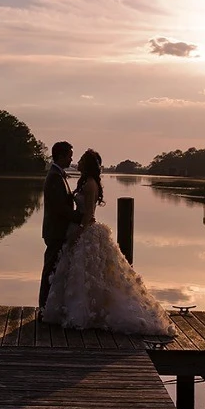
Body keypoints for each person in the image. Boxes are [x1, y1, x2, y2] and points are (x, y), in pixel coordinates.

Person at [42, 148, 176, 336]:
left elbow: (88, 215)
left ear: (86, 165)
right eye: (74, 157)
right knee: (80, 274)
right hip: (78, 230)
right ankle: (70, 309)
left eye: (80, 160)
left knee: (89, 274)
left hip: (85, 232)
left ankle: (87, 313)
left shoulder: (89, 184)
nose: (76, 162)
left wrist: (77, 233)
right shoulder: (81, 182)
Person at [40, 141, 81, 310]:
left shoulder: (59, 174)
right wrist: (80, 217)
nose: (71, 159)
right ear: (61, 156)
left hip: (59, 230)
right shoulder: (55, 177)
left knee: (55, 269)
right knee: (50, 269)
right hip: (55, 231)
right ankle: (44, 307)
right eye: (69, 155)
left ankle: (50, 306)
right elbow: (60, 208)